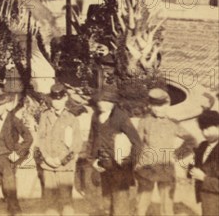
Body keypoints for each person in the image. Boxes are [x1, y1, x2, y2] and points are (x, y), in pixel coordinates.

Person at [135, 87, 196, 216]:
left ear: (167, 104)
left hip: (165, 167)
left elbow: (191, 140)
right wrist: (135, 164)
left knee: (167, 206)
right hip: (147, 168)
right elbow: (137, 144)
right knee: (141, 204)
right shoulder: (144, 122)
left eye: (161, 105)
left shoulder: (172, 123)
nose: (157, 109)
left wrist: (177, 155)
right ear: (150, 106)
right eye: (154, 105)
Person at [87, 86, 142, 216]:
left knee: (120, 205)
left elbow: (137, 142)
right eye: (100, 100)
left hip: (119, 168)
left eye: (106, 101)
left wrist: (128, 162)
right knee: (106, 203)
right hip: (102, 166)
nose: (102, 104)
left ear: (113, 103)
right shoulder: (96, 116)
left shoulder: (121, 117)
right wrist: (92, 160)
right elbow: (92, 139)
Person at [0, 90, 32, 216]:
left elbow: (28, 138)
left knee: (10, 192)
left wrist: (18, 153)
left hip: (8, 160)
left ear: (5, 105)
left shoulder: (14, 120)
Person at [34, 82, 82, 216]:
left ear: (66, 98)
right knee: (50, 201)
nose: (56, 103)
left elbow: (76, 144)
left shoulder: (72, 118)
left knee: (66, 200)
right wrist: (48, 158)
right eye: (54, 99)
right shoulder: (45, 116)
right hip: (48, 165)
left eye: (59, 99)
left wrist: (61, 160)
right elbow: (40, 139)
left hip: (65, 165)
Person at [190, 109, 219, 216]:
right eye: (202, 129)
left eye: (208, 128)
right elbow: (197, 165)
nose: (205, 133)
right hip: (206, 198)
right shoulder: (203, 145)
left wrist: (203, 178)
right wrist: (191, 169)